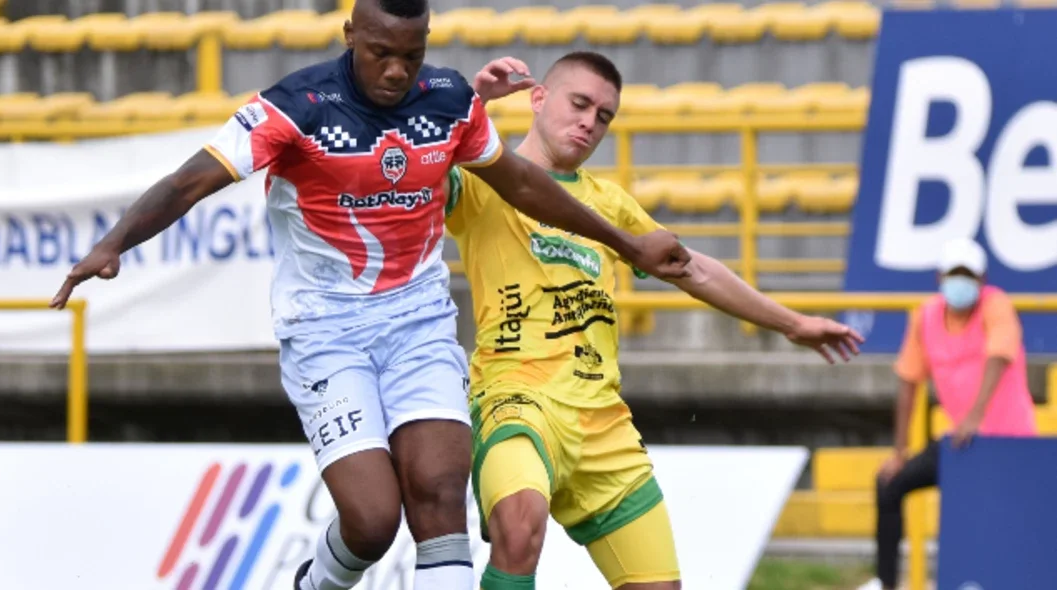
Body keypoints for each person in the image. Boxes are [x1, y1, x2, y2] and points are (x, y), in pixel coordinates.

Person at [48, 1, 693, 588]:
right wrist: (113, 243)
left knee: (441, 497)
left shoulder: (447, 102)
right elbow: (190, 182)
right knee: (373, 520)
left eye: (410, 56)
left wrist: (624, 242)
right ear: (350, 34)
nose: (395, 71)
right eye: (381, 53)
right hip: (326, 331)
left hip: (419, 324)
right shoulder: (295, 107)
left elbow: (521, 183)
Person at [444, 52, 866, 590]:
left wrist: (792, 324)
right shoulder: (483, 179)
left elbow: (694, 269)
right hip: (517, 400)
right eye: (580, 104)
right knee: (519, 528)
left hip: (602, 420)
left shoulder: (609, 205)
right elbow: (425, 158)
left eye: (604, 116)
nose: (589, 123)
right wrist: (475, 102)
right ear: (539, 98)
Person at [856, 237, 1036, 590]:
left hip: (1009, 443)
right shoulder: (924, 317)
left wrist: (975, 415)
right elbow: (908, 381)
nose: (960, 281)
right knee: (889, 483)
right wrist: (899, 451)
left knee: (1007, 519)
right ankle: (886, 583)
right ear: (939, 277)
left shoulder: (996, 306)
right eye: (954, 273)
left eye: (968, 275)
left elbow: (998, 357)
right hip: (962, 445)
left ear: (982, 280)